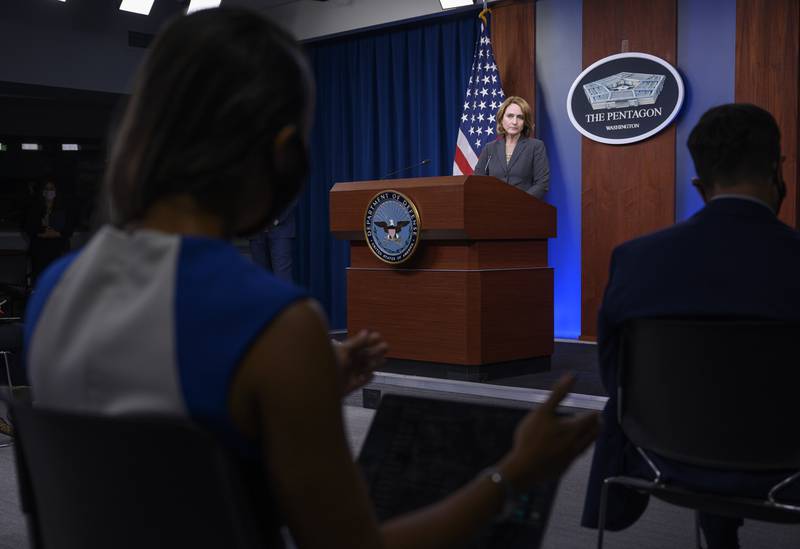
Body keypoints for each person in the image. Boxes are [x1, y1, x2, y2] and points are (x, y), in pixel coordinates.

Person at [24, 8, 598, 548]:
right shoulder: (274, 325)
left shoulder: (54, 291)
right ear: (282, 153)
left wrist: (299, 389)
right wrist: (514, 474)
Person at [581, 103, 800, 549]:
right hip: (789, 464)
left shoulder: (636, 260)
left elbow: (615, 379)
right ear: (778, 171)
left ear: (699, 184)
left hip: (662, 454)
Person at [474, 96, 550, 199]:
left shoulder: (536, 146)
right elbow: (478, 181)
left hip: (524, 208)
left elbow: (542, 184)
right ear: (501, 119)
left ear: (525, 122)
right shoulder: (490, 148)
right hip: (492, 208)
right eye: (510, 116)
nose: (514, 122)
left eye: (520, 117)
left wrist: (519, 201)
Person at [24, 179, 74, 283]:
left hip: (58, 250)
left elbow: (69, 228)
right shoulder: (34, 208)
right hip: (39, 250)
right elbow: (28, 227)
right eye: (46, 188)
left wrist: (57, 233)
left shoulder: (64, 207)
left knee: (57, 281)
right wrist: (42, 232)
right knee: (40, 280)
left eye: (52, 188)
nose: (49, 191)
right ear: (42, 191)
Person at [248, 204, 295, 282]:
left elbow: (292, 194)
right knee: (261, 277)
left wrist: (276, 220)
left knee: (282, 278)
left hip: (280, 229)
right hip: (256, 230)